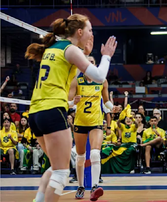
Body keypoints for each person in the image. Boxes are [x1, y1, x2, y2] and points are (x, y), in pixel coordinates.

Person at [25, 14, 117, 202]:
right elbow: (99, 76)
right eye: (90, 30)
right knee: (61, 174)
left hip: (36, 113)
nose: (92, 34)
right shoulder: (70, 49)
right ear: (80, 32)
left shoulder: (54, 49)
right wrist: (106, 56)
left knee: (54, 168)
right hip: (52, 110)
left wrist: (84, 52)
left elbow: (69, 66)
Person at [68, 56, 120, 200]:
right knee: (80, 157)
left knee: (96, 154)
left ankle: (95, 187)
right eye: (87, 62)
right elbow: (68, 103)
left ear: (95, 65)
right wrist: (73, 101)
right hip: (80, 123)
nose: (89, 64)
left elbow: (107, 101)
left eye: (92, 62)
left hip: (96, 122)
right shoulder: (76, 80)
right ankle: (80, 186)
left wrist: (112, 108)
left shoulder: (102, 80)